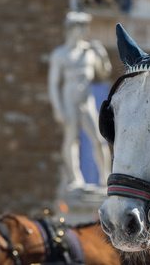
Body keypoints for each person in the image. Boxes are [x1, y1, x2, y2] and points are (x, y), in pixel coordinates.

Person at [48, 11, 112, 188]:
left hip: (87, 98)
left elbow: (104, 72)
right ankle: (74, 178)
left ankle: (105, 178)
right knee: (71, 139)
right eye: (81, 27)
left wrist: (102, 55)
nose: (85, 30)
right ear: (72, 29)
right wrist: (58, 108)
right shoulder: (60, 54)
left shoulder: (89, 51)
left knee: (99, 140)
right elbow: (53, 84)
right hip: (69, 97)